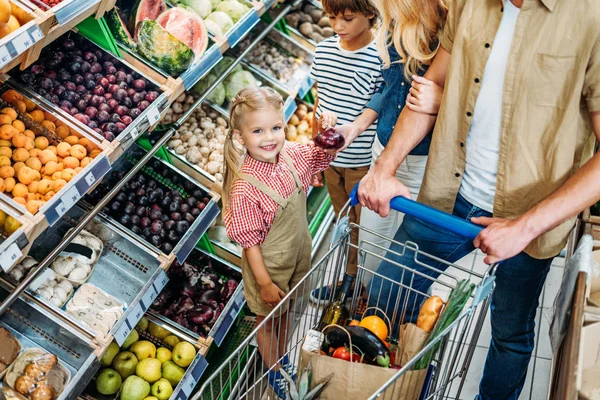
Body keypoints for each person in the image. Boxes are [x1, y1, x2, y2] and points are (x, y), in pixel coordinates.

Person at [356, 0, 600, 398]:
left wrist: (524, 228)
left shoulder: (590, 17)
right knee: (384, 300)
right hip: (448, 193)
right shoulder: (471, 3)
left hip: (528, 215)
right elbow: (430, 88)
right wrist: (384, 169)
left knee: (510, 333)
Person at [309, 0, 446, 304]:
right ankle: (362, 295)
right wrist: (355, 129)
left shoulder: (450, 29)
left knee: (410, 257)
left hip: (425, 158)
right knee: (370, 240)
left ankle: (392, 314)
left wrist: (444, 100)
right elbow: (388, 89)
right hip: (381, 150)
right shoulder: (390, 26)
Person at [222, 87, 335, 398]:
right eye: (258, 131)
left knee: (285, 312)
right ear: (240, 136)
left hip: (298, 252)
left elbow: (321, 156)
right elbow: (250, 245)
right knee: (267, 320)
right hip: (268, 267)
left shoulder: (292, 156)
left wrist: (328, 134)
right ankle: (276, 373)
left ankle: (282, 358)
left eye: (276, 127)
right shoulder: (245, 187)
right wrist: (265, 284)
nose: (269, 137)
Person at [307, 0, 381, 305]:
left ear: (371, 13)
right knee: (345, 223)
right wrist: (314, 158)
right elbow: (319, 103)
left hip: (362, 164)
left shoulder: (381, 57)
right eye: (332, 17)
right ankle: (349, 280)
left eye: (348, 19)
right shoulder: (324, 51)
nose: (338, 26)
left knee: (364, 228)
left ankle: (359, 283)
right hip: (331, 162)